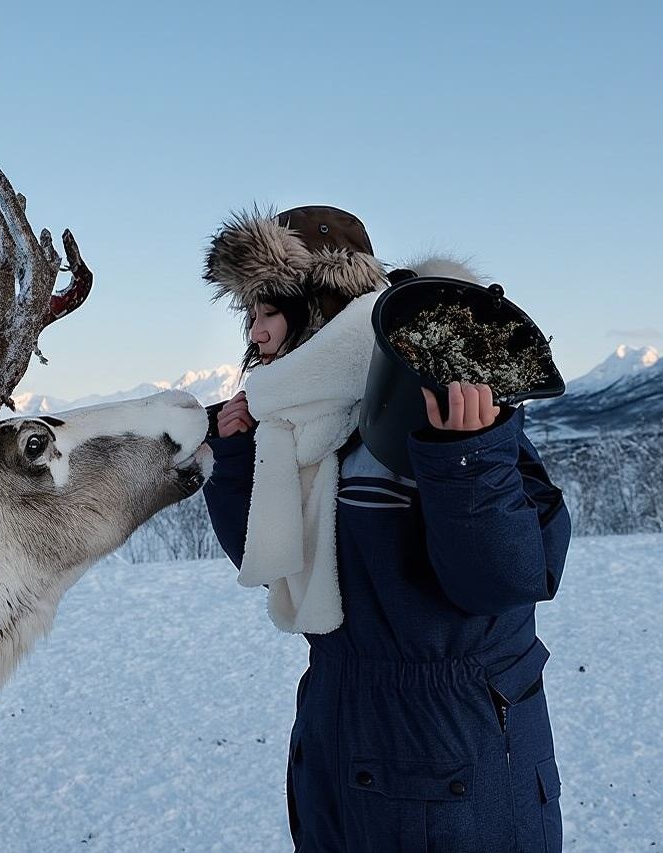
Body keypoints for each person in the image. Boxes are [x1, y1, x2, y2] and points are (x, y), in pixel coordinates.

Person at [201, 205, 572, 852]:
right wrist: (235, 464)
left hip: (451, 745)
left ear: (320, 299)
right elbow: (273, 560)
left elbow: (511, 576)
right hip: (339, 728)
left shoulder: (433, 384)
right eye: (250, 316)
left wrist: (470, 457)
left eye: (270, 311)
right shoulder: (296, 423)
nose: (256, 334)